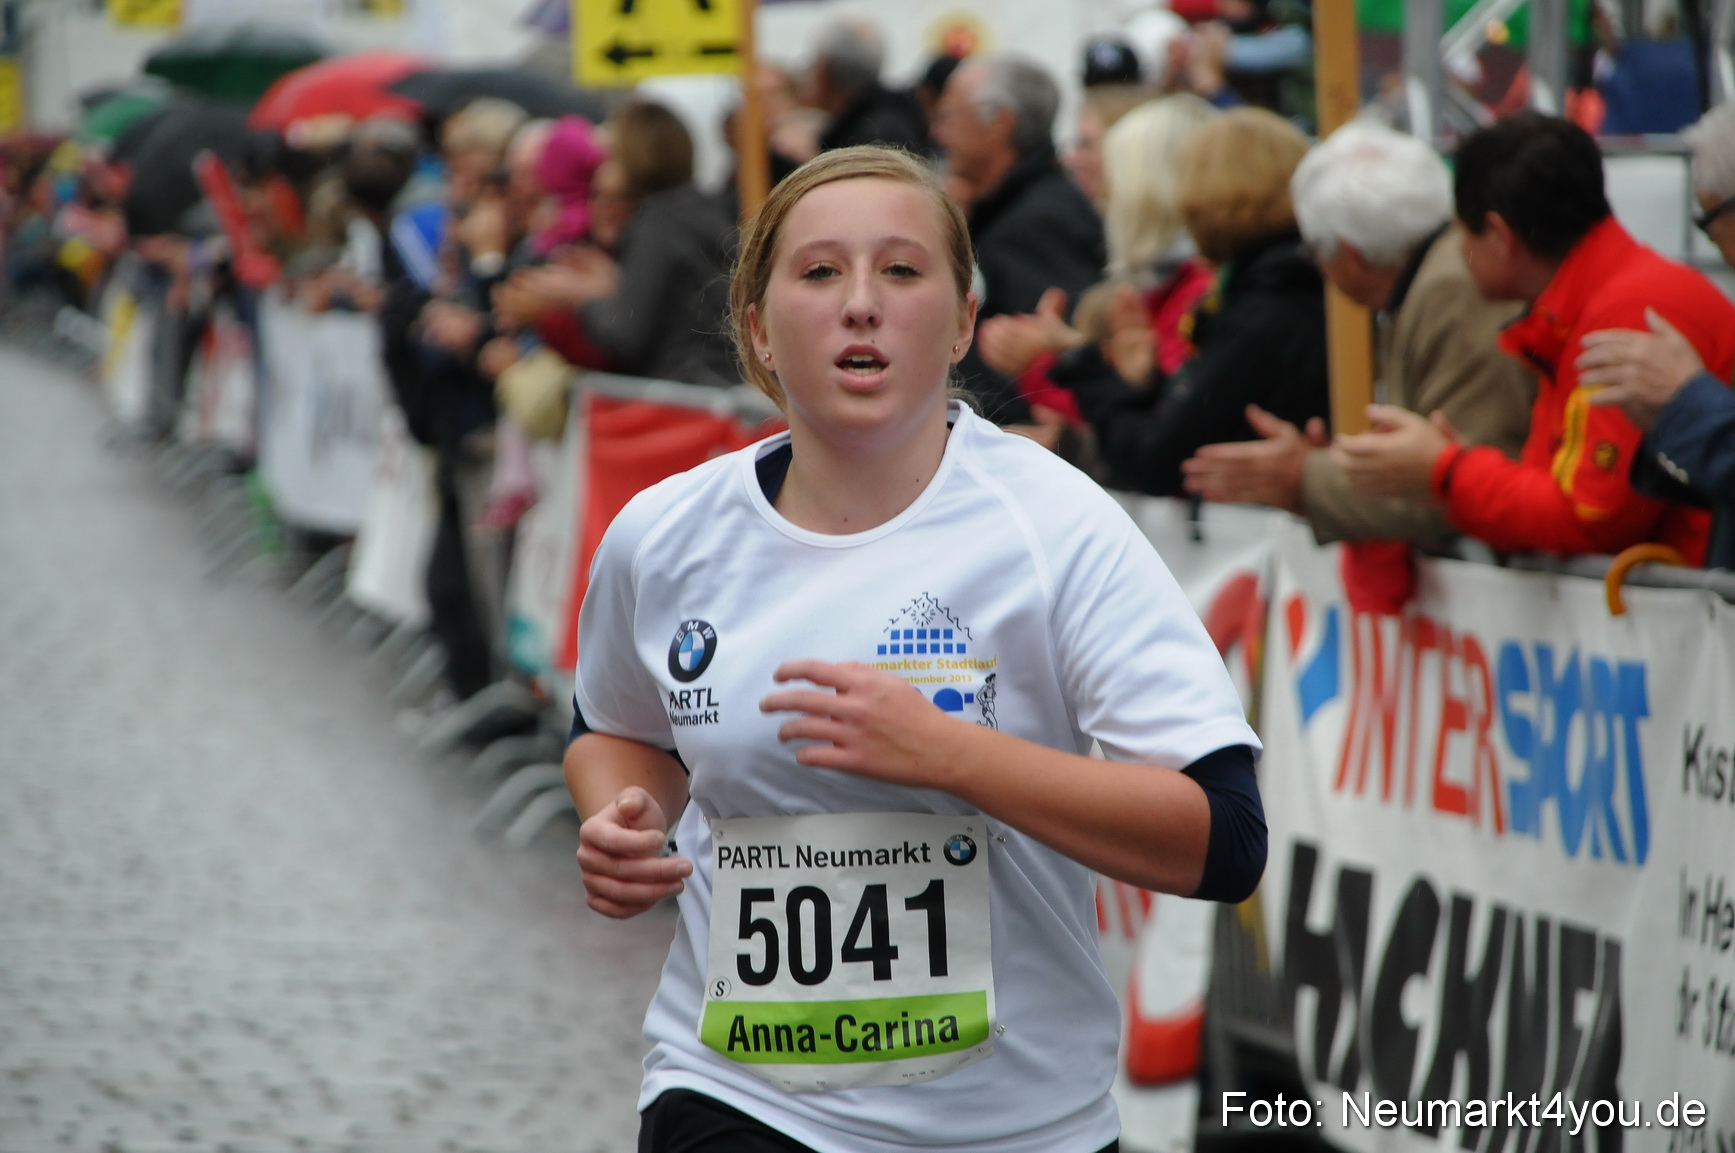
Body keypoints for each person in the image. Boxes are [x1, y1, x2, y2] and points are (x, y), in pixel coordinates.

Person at [565, 146, 1265, 1153]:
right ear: (758, 327)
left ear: (963, 319)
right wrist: (620, 817)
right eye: (819, 272)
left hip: (1015, 1127)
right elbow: (617, 728)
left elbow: (1224, 837)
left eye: (900, 270)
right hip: (734, 1093)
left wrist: (950, 756)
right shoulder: (665, 532)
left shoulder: (1054, 525)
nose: (861, 304)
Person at [1333, 112, 1735, 563]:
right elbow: (1566, 497)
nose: (1458, 251)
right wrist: (1450, 475)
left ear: (1499, 236)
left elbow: (1590, 518)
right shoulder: (1588, 307)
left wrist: (1448, 471)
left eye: (1462, 233)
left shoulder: (1624, 312)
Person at [1182, 118, 1535, 544]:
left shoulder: (1450, 292)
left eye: (1316, 252)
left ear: (1352, 257)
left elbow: (1452, 482)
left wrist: (1306, 476)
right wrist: (1332, 469)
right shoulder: (1442, 278)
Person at [1044, 106, 1328, 497]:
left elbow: (1164, 458)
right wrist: (1147, 385)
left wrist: (1088, 370)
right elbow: (1199, 421)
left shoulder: (1263, 307)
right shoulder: (1283, 287)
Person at [1574, 101, 1735, 569]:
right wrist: (1669, 419)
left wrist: (1685, 402)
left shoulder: (1637, 298)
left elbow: (1592, 517)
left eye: (1710, 225)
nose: (1717, 249)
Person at [505, 100, 737, 386]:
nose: (602, 166)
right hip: (717, 385)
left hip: (686, 392)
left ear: (635, 155)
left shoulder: (659, 223)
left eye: (612, 155)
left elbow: (624, 334)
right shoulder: (700, 209)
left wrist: (581, 297)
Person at [933, 54, 1106, 422]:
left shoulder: (1039, 222)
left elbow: (1039, 364)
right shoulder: (1015, 207)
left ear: (999, 124)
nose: (938, 133)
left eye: (948, 116)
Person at [809, 17, 932, 156]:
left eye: (814, 62)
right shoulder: (891, 117)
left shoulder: (871, 139)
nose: (810, 72)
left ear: (825, 71)